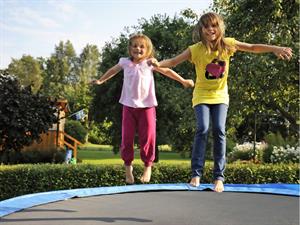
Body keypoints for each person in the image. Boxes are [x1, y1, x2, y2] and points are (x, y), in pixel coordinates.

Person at [150, 12, 292, 192]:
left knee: (219, 129)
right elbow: (173, 61)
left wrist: (275, 48)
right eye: (207, 26)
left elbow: (253, 47)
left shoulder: (228, 44)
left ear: (219, 28)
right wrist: (157, 63)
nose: (211, 29)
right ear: (201, 29)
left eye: (214, 26)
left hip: (220, 95)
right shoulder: (195, 49)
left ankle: (218, 177)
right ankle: (196, 174)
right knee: (202, 128)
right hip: (201, 94)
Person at [92, 33, 194, 184]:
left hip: (147, 107)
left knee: (147, 138)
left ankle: (148, 166)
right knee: (127, 139)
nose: (137, 49)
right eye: (134, 46)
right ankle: (128, 169)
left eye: (141, 47)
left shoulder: (150, 63)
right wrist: (101, 80)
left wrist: (183, 80)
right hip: (128, 106)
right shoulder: (125, 62)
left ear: (147, 50)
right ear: (129, 48)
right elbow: (113, 71)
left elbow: (167, 71)